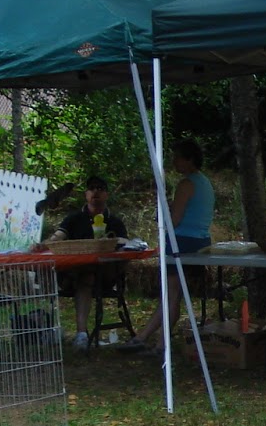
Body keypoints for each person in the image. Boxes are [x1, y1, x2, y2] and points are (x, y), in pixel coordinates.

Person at [134, 140, 215, 349]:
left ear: (189, 159)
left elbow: (175, 220)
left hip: (181, 241)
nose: (174, 162)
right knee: (174, 293)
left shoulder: (186, 184)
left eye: (178, 157)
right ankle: (148, 338)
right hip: (201, 241)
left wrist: (162, 215)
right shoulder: (204, 183)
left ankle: (154, 341)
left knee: (171, 293)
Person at [51, 175, 129, 350]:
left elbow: (126, 245)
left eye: (100, 188)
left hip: (106, 275)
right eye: (92, 188)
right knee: (82, 277)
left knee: (89, 277)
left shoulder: (114, 221)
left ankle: (81, 334)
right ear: (86, 194)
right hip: (73, 274)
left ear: (106, 194)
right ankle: (78, 334)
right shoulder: (74, 218)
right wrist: (43, 244)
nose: (96, 192)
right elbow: (58, 236)